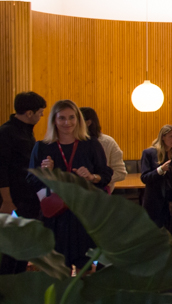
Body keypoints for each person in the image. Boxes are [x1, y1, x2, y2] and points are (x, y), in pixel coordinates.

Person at [27, 100, 113, 268]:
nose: (67, 122)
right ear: (54, 120)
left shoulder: (90, 144)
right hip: (55, 215)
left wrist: (92, 177)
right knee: (58, 268)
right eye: (62, 118)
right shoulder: (43, 147)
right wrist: (45, 173)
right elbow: (31, 181)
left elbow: (105, 174)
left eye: (72, 117)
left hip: (84, 213)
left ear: (78, 119)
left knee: (86, 266)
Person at [0, 91, 46, 218]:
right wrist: (7, 200)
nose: (42, 115)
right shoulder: (6, 133)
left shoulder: (27, 131)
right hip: (15, 199)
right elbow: (1, 168)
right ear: (29, 113)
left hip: (28, 196)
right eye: (40, 112)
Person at [140, 124, 172, 233]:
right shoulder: (149, 153)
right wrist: (161, 169)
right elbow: (144, 178)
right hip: (154, 200)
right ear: (163, 137)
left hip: (171, 200)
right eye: (171, 136)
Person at [79, 107, 126, 192]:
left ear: (88, 123)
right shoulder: (71, 142)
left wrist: (96, 178)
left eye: (77, 120)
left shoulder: (107, 142)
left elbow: (120, 173)